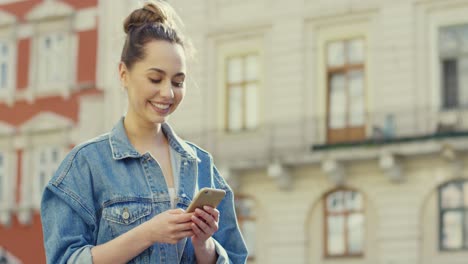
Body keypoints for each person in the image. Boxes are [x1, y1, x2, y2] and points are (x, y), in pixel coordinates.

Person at [40, 1, 248, 263]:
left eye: (178, 82)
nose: (168, 93)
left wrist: (204, 244)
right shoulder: (85, 165)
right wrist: (148, 234)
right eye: (155, 79)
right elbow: (64, 260)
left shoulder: (202, 165)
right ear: (124, 74)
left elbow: (236, 257)